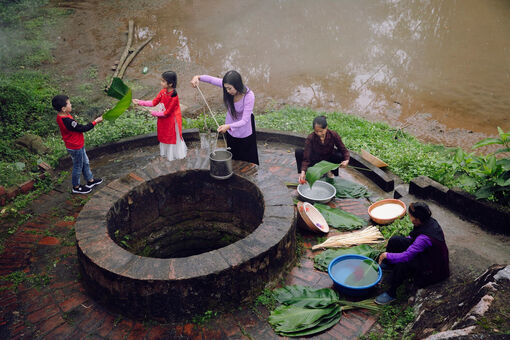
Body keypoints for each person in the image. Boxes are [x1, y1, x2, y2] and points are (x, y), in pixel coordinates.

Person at [375, 202, 450, 305]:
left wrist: (386, 255)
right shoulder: (426, 222)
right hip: (425, 253)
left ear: (417, 219)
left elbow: (406, 256)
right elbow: (413, 238)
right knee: (395, 240)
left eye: (410, 216)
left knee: (403, 263)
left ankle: (391, 292)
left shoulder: (425, 238)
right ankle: (389, 265)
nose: (409, 218)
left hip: (433, 268)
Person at [190, 70, 259, 165]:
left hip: (244, 128)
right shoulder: (228, 86)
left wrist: (228, 126)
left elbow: (244, 120)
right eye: (226, 88)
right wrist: (197, 77)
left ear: (237, 85)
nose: (227, 91)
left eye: (230, 88)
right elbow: (210, 79)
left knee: (246, 157)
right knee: (233, 153)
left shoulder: (249, 96)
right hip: (230, 125)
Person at [52, 95, 103, 194]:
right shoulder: (67, 121)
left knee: (85, 163)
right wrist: (95, 122)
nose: (71, 105)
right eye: (69, 103)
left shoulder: (63, 115)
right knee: (78, 166)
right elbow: (82, 128)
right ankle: (76, 187)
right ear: (63, 108)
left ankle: (90, 181)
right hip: (75, 147)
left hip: (78, 144)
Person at [132, 71, 187, 161]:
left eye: (163, 81)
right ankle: (167, 153)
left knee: (171, 136)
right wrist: (140, 102)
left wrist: (154, 113)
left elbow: (167, 113)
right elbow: (154, 102)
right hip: (163, 119)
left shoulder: (174, 97)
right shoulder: (162, 92)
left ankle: (173, 155)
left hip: (172, 121)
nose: (161, 83)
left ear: (170, 84)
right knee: (164, 135)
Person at [295, 115, 349, 183]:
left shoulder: (333, 135)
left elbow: (343, 149)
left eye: (321, 131)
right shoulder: (311, 138)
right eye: (316, 131)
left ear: (326, 127)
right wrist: (303, 171)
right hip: (315, 160)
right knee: (299, 152)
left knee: (339, 155)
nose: (319, 134)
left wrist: (346, 160)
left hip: (328, 161)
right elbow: (306, 157)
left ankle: (331, 172)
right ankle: (304, 175)